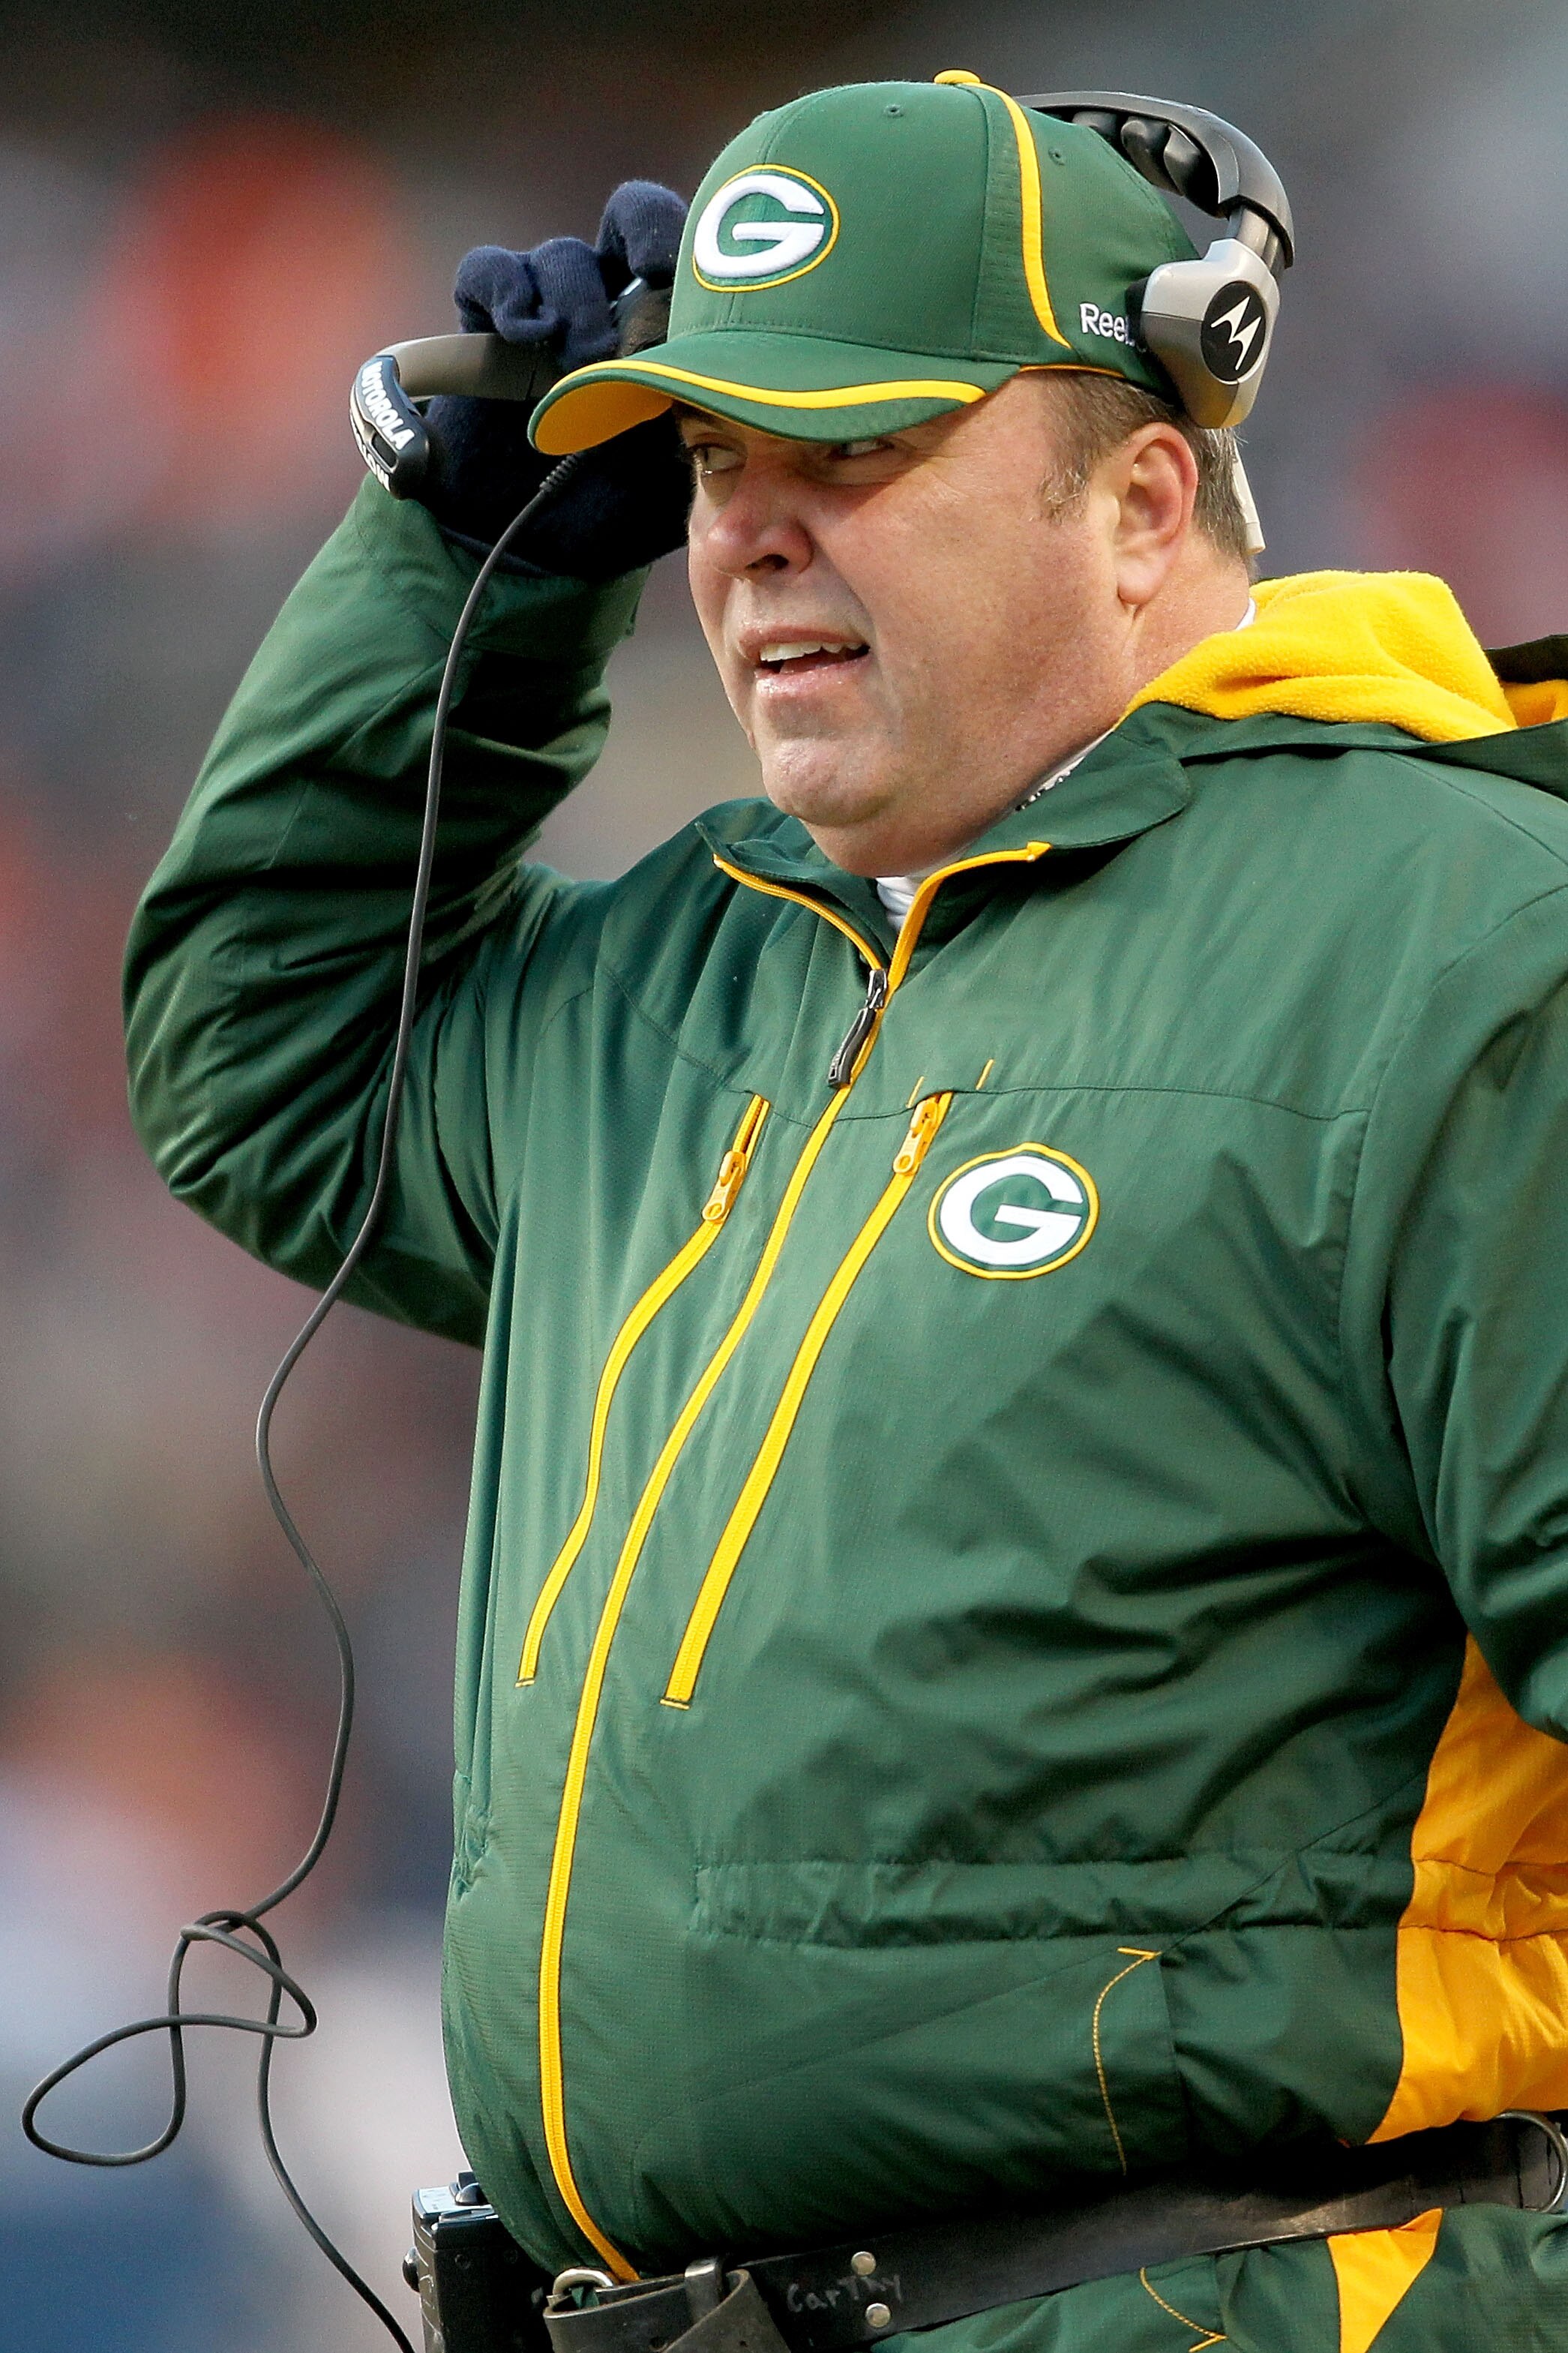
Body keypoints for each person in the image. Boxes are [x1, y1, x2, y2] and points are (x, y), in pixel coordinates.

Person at [124, 71, 1568, 2353]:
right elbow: (261, 1064)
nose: (750, 538)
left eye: (857, 452)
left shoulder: (1471, 939)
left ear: (1143, 496)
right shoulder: (700, 956)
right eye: (708, 466)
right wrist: (455, 569)